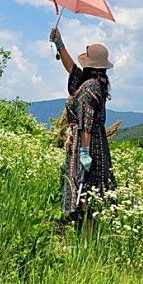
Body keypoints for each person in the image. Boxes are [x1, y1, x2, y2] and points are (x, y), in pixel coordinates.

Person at [49, 27, 117, 232]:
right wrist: (59, 44)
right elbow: (71, 68)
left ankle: (87, 235)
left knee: (85, 185)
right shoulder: (91, 83)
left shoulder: (90, 88)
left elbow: (86, 123)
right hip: (90, 141)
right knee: (88, 187)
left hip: (87, 142)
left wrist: (85, 153)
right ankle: (87, 232)